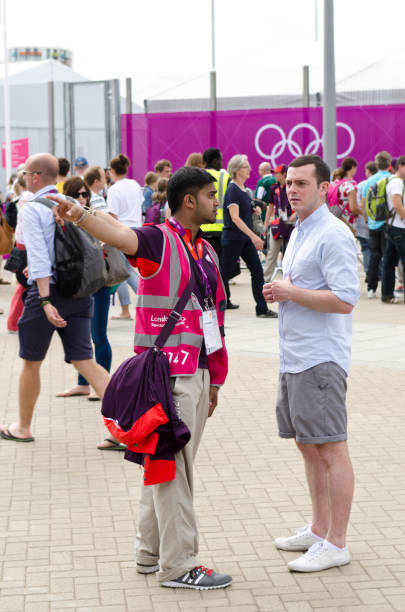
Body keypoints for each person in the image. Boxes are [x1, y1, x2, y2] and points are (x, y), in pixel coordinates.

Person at [47, 166, 232, 590]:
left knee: (164, 463)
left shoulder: (206, 251)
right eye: (209, 195)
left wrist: (216, 380)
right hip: (167, 377)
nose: (215, 202)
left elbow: (215, 319)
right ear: (189, 201)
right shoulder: (157, 240)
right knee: (173, 467)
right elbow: (118, 235)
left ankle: (149, 553)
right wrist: (78, 213)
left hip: (198, 374)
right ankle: (179, 564)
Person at [263, 154, 360, 573]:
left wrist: (290, 292)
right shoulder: (300, 228)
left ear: (325, 188)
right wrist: (285, 290)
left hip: (320, 358)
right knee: (307, 444)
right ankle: (320, 528)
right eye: (289, 183)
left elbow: (344, 299)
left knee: (331, 446)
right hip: (295, 355)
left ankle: (336, 542)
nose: (293, 189)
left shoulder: (333, 234)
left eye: (302, 183)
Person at [0, 153, 110, 444]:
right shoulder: (71, 203)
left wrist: (46, 301)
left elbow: (38, 258)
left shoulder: (32, 207)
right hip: (81, 290)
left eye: (25, 173)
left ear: (36, 176)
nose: (23, 178)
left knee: (30, 361)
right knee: (85, 360)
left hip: (50, 292)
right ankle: (125, 428)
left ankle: (22, 427)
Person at [55, 177, 115, 415]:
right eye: (77, 195)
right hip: (76, 284)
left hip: (97, 281)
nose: (82, 199)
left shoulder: (93, 215)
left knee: (98, 334)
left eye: (84, 194)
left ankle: (103, 385)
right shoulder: (62, 218)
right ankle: (83, 384)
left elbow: (112, 234)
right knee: (82, 339)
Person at [220, 154, 277, 317]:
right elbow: (235, 217)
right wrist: (253, 236)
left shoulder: (244, 190)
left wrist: (254, 209)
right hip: (233, 238)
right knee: (225, 272)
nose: (250, 169)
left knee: (257, 271)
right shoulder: (232, 189)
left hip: (243, 239)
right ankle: (219, 302)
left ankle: (261, 308)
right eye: (246, 167)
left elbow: (244, 210)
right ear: (237, 170)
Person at [106, 153, 142, 320]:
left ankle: (131, 307)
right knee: (128, 269)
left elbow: (112, 216)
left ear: (112, 170)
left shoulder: (114, 189)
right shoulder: (134, 185)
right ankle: (135, 305)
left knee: (121, 271)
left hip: (120, 230)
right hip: (137, 231)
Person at [362, 151, 392, 299]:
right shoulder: (392, 179)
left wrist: (367, 221)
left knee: (374, 256)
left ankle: (371, 288)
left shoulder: (369, 181)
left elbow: (364, 203)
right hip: (388, 222)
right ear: (389, 164)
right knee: (388, 257)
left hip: (373, 223)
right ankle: (387, 289)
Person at [263, 165, 295, 283]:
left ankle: (291, 281)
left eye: (277, 173)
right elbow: (270, 206)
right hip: (277, 223)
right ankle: (265, 281)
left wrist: (295, 214)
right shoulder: (273, 188)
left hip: (291, 223)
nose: (274, 175)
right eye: (274, 173)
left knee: (291, 253)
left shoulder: (292, 186)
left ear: (284, 174)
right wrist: (265, 225)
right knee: (272, 253)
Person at [381, 156, 405, 304]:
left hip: (391, 226)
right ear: (401, 166)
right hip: (399, 228)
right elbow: (397, 205)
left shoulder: (391, 180)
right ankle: (387, 294)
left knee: (389, 262)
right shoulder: (397, 182)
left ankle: (387, 294)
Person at [200, 148, 231, 258]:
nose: (221, 163)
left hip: (201, 227)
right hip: (221, 229)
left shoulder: (197, 176)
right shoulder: (225, 177)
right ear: (215, 160)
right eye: (221, 160)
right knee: (219, 265)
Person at [355, 161, 377, 280]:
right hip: (379, 221)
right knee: (378, 249)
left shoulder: (362, 185)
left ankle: (369, 271)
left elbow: (359, 204)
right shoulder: (381, 182)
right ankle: (378, 272)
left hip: (364, 222)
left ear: (368, 172)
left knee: (366, 248)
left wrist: (365, 218)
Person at [329, 157, 361, 233]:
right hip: (348, 222)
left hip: (335, 218)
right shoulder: (350, 185)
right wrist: (363, 213)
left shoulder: (336, 183)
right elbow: (353, 208)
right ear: (352, 167)